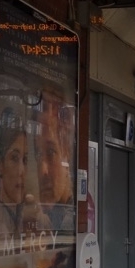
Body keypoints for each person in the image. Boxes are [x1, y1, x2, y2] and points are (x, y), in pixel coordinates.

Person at [34, 90, 75, 231]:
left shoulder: (71, 222)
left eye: (51, 152)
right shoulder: (44, 216)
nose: (43, 170)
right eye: (38, 154)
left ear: (67, 153)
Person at [0, 107, 29, 238]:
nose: (22, 171)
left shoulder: (22, 218)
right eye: (14, 158)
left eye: (25, 159)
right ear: (0, 165)